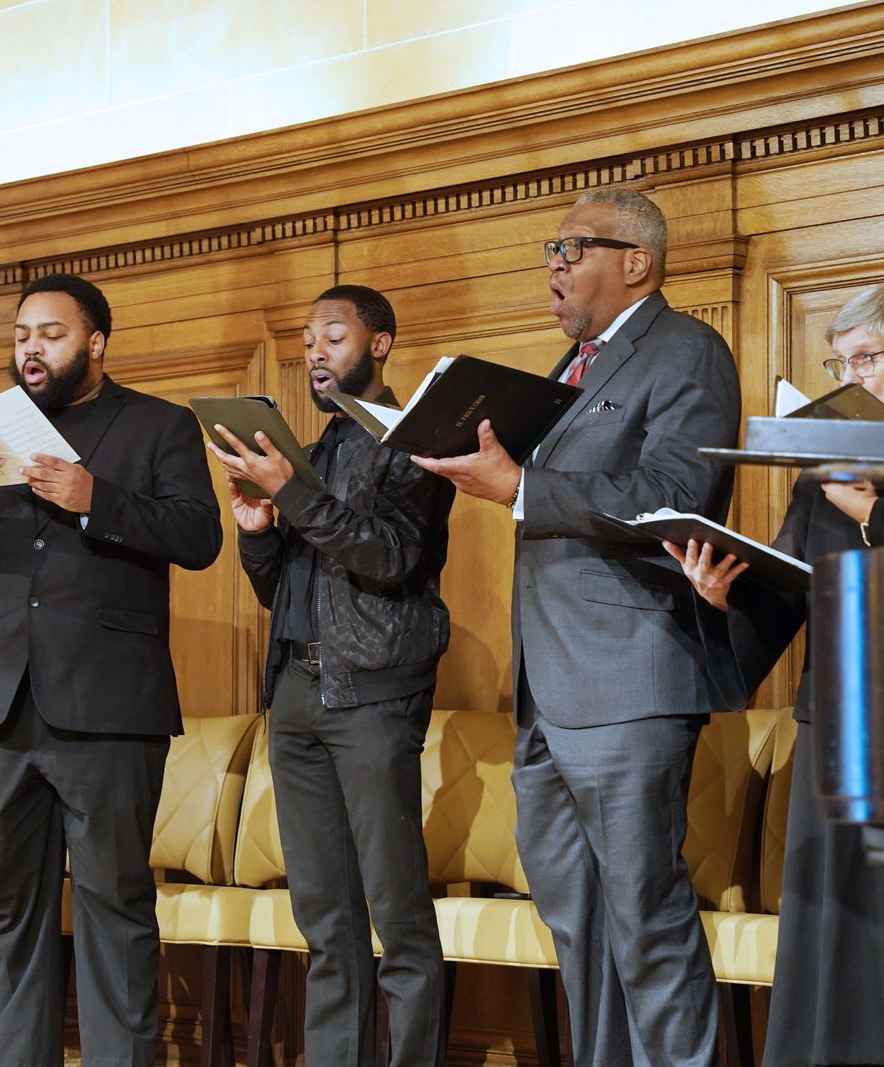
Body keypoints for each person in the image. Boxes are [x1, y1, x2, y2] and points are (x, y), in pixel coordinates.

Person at [412, 187, 740, 1066]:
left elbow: (673, 495)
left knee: (647, 921)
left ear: (636, 260)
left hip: (630, 682)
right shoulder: (570, 368)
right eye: (549, 253)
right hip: (549, 699)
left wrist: (518, 487)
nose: (553, 268)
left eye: (573, 250)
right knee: (579, 929)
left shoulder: (686, 351)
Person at [0, 273, 222, 1066]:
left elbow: (199, 535)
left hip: (110, 709)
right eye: (21, 336)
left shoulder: (157, 426)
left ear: (96, 342)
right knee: (10, 910)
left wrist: (93, 498)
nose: (31, 348)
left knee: (115, 906)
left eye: (49, 333)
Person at [210, 284, 453, 1066]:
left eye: (334, 336)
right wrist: (257, 533)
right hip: (298, 696)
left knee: (398, 915)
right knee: (325, 920)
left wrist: (292, 495)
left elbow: (389, 556)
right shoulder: (308, 455)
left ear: (379, 344)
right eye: (308, 339)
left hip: (375, 695)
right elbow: (288, 593)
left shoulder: (418, 443)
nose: (315, 352)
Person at [667, 283, 884, 1067]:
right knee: (832, 931)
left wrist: (872, 514)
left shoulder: (856, 486)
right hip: (836, 724)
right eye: (842, 360)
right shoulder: (826, 466)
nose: (852, 374)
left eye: (868, 357)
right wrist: (726, 594)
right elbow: (792, 590)